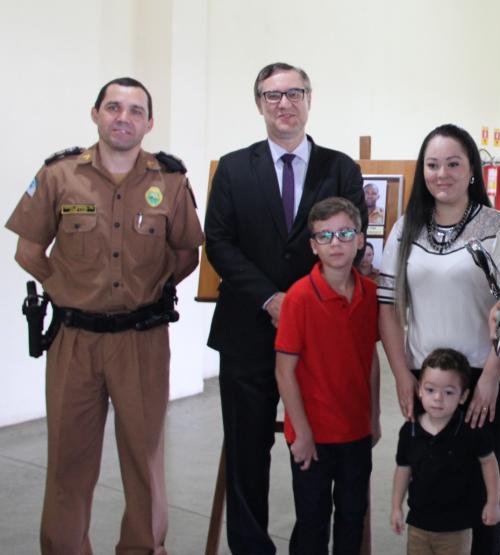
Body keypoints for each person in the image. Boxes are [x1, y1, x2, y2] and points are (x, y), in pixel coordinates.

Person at [5, 77, 203, 554]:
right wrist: (68, 290)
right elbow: (29, 251)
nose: (123, 117)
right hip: (74, 339)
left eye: (136, 110)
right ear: (95, 114)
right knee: (68, 462)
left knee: (144, 459)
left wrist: (149, 293)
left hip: (141, 340)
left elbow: (186, 254)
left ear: (149, 123)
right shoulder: (58, 175)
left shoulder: (170, 180)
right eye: (113, 107)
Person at [205, 62, 367, 554]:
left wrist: (302, 304)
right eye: (272, 95)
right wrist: (273, 299)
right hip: (248, 331)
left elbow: (349, 244)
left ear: (309, 99)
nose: (284, 103)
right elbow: (219, 243)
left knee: (316, 448)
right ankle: (251, 547)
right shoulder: (234, 167)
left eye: (293, 93)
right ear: (259, 104)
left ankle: (309, 545)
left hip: (322, 338)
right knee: (247, 452)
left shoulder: (340, 168)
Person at [378, 123, 500, 554]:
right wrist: (403, 375)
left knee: (480, 483)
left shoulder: (498, 226)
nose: (442, 173)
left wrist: (492, 377)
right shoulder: (406, 228)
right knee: (431, 477)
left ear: (472, 169)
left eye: (453, 163)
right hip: (426, 377)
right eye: (433, 165)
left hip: (482, 376)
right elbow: (387, 305)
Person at [274, 197, 380, 554]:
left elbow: (371, 361)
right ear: (313, 245)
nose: (336, 243)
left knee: (352, 518)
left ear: (360, 240)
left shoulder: (369, 294)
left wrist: (374, 417)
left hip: (355, 432)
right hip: (313, 437)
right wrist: (301, 433)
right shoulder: (299, 298)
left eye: (345, 233)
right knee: (313, 523)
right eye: (325, 236)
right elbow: (284, 370)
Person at [390, 348, 500, 555]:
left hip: (455, 530)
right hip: (418, 526)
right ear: (420, 390)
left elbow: (489, 463)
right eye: (430, 390)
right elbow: (403, 469)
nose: (438, 398)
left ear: (463, 396)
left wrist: (493, 502)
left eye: (449, 392)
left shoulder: (471, 431)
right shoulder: (410, 430)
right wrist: (396, 507)